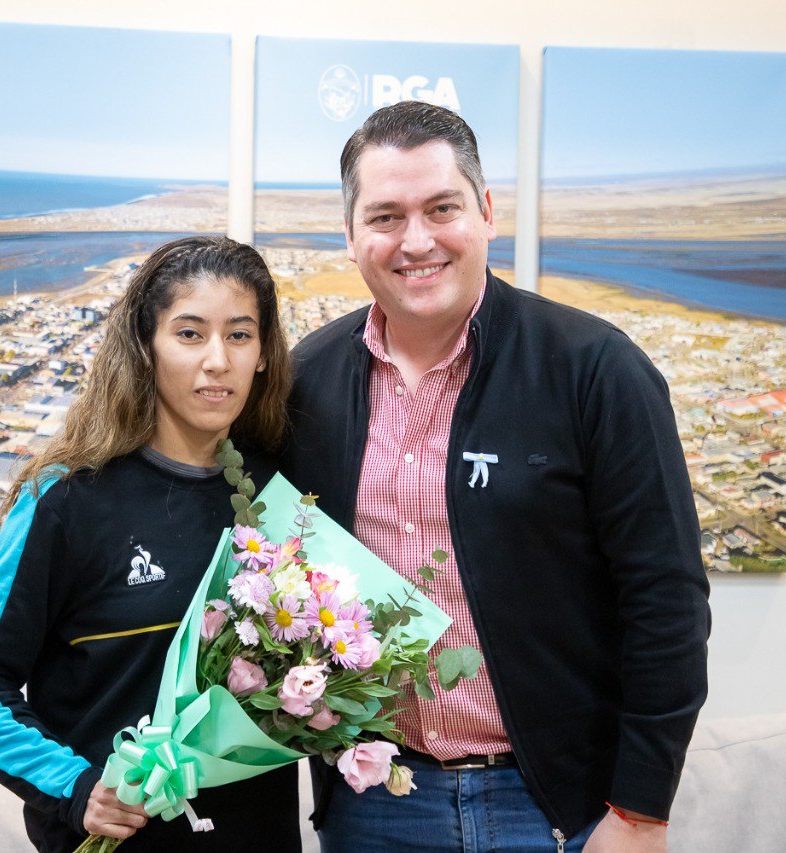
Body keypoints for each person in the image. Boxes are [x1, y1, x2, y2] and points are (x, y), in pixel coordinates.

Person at [280, 101, 711, 852]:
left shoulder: (596, 370)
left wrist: (641, 810)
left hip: (554, 805)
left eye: (441, 208)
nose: (416, 241)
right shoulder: (303, 385)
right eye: (385, 216)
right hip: (375, 801)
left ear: (484, 211)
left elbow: (666, 599)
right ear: (351, 237)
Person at [0, 236, 301, 853]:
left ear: (264, 353)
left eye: (239, 335)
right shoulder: (64, 499)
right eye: (189, 334)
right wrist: (76, 788)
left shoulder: (282, 499)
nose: (217, 360)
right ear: (146, 346)